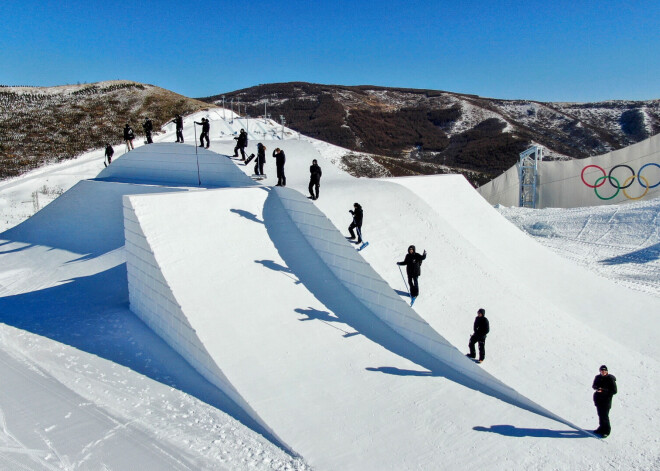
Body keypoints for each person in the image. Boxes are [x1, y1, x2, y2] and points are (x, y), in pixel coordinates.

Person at [592, 365, 617, 438]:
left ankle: (606, 431)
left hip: (606, 400)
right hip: (598, 399)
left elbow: (614, 391)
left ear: (607, 371)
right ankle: (601, 428)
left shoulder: (610, 379)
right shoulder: (598, 377)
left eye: (604, 370)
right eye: (602, 370)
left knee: (605, 416)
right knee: (600, 414)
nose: (603, 372)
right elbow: (594, 385)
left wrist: (603, 390)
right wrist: (597, 388)